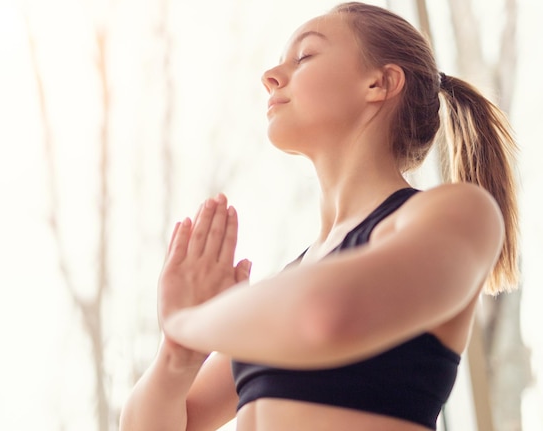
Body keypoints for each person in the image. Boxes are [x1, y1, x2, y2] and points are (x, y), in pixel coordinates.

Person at [120, 2, 519, 430]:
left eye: (304, 56)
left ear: (380, 83)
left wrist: (191, 320)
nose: (270, 76)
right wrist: (177, 353)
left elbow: (329, 315)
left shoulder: (457, 213)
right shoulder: (287, 289)